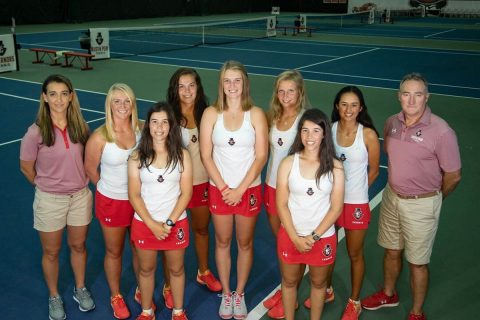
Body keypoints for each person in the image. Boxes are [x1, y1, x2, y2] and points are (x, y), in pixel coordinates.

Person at [361, 73, 462, 320]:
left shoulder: (442, 131)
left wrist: (433, 198)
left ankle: (416, 312)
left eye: (418, 94)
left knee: (418, 262)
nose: (412, 100)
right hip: (392, 198)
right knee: (391, 250)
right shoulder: (391, 123)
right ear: (399, 96)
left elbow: (454, 175)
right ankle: (388, 293)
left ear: (427, 97)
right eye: (406, 94)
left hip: (422, 204)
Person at [20, 74, 95, 320]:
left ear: (71, 96)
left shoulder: (81, 126)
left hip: (80, 197)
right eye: (53, 94)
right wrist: (46, 186)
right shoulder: (35, 132)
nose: (59, 99)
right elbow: (26, 167)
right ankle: (54, 296)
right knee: (51, 252)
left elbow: (90, 159)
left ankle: (80, 288)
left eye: (64, 93)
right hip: (50, 200)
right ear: (44, 97)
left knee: (78, 246)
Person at [200, 60, 268, 319]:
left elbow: (261, 156)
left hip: (248, 191)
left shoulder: (257, 114)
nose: (232, 86)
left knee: (245, 242)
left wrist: (240, 189)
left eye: (237, 80)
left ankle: (239, 293)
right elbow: (206, 156)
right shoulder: (210, 114)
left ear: (245, 83)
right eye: (227, 81)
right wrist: (225, 187)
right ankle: (226, 293)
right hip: (220, 190)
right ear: (221, 84)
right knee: (222, 241)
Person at [160, 68, 221, 309]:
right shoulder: (168, 115)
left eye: (191, 86)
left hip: (202, 183)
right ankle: (167, 285)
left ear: (198, 88)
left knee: (202, 229)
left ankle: (203, 271)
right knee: (171, 238)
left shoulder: (208, 113)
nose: (186, 91)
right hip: (173, 189)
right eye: (181, 86)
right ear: (175, 89)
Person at [276, 108, 344, 320]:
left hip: (321, 239)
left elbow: (336, 208)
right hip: (290, 236)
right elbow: (282, 204)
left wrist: (313, 237)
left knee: (318, 283)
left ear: (325, 133)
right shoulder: (288, 163)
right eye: (305, 131)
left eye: (315, 131)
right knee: (288, 283)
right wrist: (296, 237)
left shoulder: (335, 167)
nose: (309, 137)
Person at [128, 102, 192, 320]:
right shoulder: (137, 158)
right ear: (148, 126)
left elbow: (186, 193)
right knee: (146, 270)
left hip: (175, 224)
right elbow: (134, 195)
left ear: (171, 126)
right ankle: (147, 311)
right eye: (154, 122)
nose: (159, 127)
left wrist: (169, 223)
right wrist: (153, 225)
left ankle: (178, 311)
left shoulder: (183, 155)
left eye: (165, 122)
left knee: (176, 270)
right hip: (145, 224)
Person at [84, 83, 143, 319]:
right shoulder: (100, 136)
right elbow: (90, 168)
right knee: (114, 251)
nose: (122, 105)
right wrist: (109, 190)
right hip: (112, 202)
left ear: (133, 104)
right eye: (117, 101)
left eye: (127, 100)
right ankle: (116, 295)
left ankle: (142, 288)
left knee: (140, 248)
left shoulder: (142, 129)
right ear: (109, 104)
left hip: (139, 201)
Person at [325, 86, 380, 320]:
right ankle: (326, 291)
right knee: (328, 251)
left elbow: (375, 171)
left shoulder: (367, 134)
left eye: (354, 105)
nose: (349, 109)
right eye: (344, 104)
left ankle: (354, 301)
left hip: (356, 205)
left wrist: (356, 194)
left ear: (361, 108)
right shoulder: (330, 129)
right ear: (337, 106)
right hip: (330, 203)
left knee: (354, 253)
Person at [262, 70, 308, 319]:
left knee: (293, 244)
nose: (286, 95)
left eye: (291, 90)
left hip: (294, 194)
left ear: (300, 92)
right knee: (283, 246)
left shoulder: (305, 121)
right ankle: (286, 288)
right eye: (281, 90)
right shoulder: (273, 116)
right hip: (271, 187)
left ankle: (294, 294)